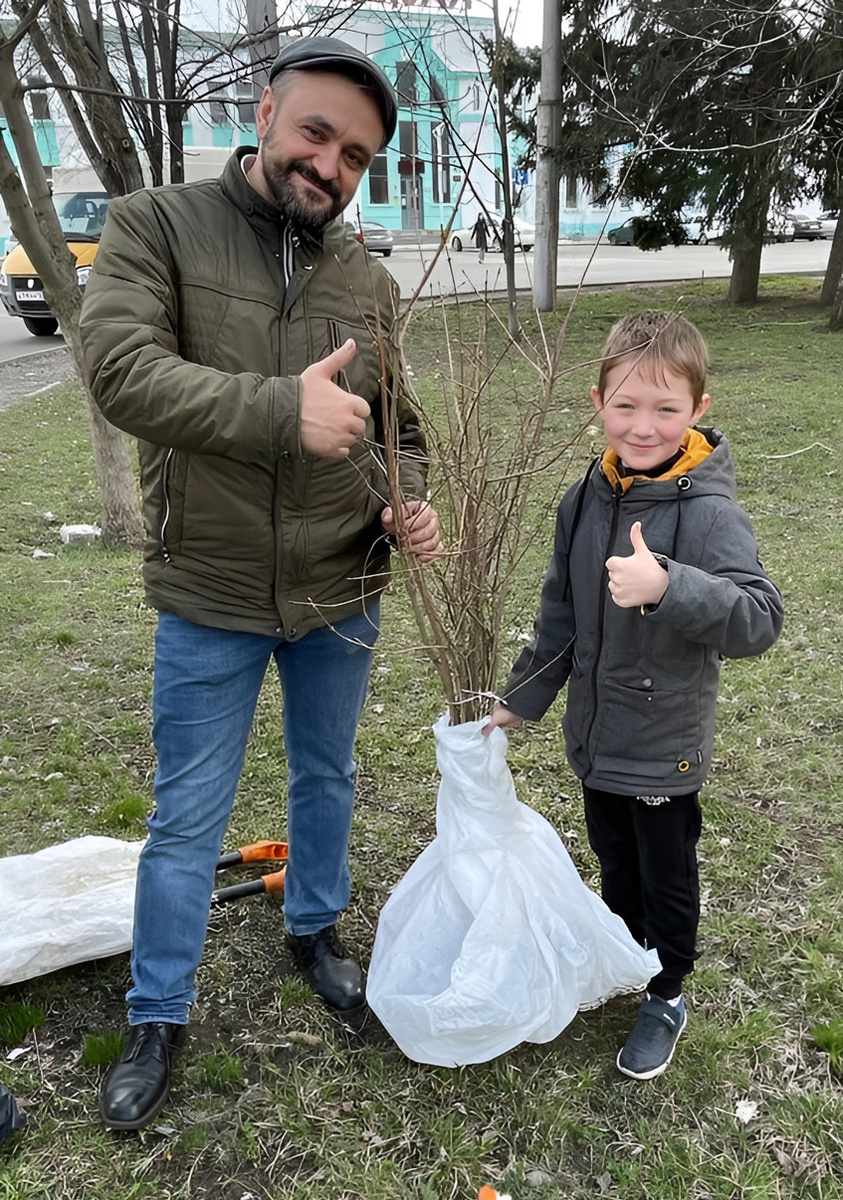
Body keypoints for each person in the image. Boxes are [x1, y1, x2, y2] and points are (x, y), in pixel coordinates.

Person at [79, 35, 442, 1131]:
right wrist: (284, 407)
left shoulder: (366, 280)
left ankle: (313, 931)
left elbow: (403, 430)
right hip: (214, 585)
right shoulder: (155, 225)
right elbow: (121, 371)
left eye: (357, 156)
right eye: (317, 133)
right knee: (188, 817)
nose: (329, 165)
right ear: (267, 107)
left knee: (326, 778)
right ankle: (158, 1013)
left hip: (341, 587)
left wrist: (404, 497)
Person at [485, 311, 782, 1080]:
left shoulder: (707, 512)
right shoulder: (583, 500)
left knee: (664, 875)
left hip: (662, 747)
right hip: (595, 738)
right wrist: (523, 697)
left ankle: (668, 989)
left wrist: (667, 587)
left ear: (697, 411)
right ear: (597, 401)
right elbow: (561, 614)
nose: (641, 426)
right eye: (625, 405)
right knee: (614, 865)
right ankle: (627, 956)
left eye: (664, 409)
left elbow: (757, 618)